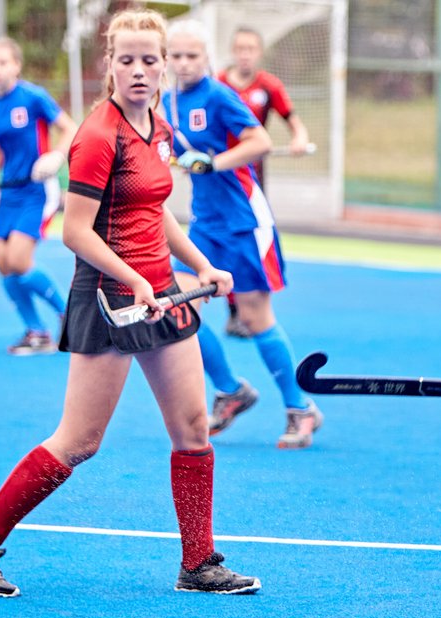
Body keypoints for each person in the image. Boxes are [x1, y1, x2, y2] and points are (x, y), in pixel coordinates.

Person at [0, 9, 259, 598]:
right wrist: (134, 280)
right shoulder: (96, 135)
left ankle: (198, 563)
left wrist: (201, 265)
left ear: (163, 67)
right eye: (126, 59)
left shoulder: (159, 127)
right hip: (110, 299)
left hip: (159, 292)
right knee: (80, 441)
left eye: (149, 60)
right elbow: (75, 231)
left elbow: (155, 212)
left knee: (193, 428)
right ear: (109, 64)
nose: (139, 70)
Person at [162, 19, 322, 450]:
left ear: (207, 57)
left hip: (244, 222)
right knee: (178, 307)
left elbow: (260, 142)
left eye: (192, 55)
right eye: (176, 55)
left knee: (253, 318)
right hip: (204, 224)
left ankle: (300, 409)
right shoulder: (166, 102)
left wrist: (213, 163)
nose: (183, 63)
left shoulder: (218, 94)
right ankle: (230, 390)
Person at [0, 37, 77, 355]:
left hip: (38, 191)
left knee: (19, 260)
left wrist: (56, 157)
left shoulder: (33, 97)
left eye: (3, 62)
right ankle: (36, 332)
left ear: (16, 65)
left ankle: (69, 315)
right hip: (9, 192)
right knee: (3, 264)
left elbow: (70, 128)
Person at [215, 25, 311, 338]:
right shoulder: (217, 84)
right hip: (219, 177)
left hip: (252, 180)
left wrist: (299, 139)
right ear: (233, 51)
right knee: (222, 241)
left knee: (252, 242)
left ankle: (252, 309)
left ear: (259, 53)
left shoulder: (269, 86)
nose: (245, 55)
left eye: (251, 49)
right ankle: (233, 312)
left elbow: (295, 123)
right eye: (240, 48)